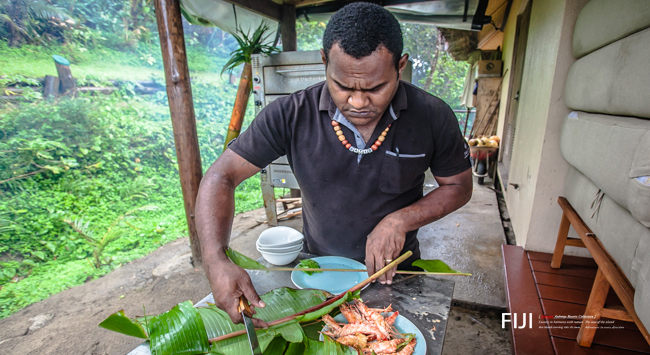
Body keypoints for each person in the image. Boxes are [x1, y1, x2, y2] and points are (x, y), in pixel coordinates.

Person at [194, 2, 472, 327]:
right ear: (324, 62)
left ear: (400, 66)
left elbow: (458, 186)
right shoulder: (290, 115)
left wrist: (399, 221)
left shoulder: (432, 117)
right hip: (318, 271)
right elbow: (221, 176)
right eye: (342, 86)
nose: (357, 102)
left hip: (394, 272)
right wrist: (215, 259)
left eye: (376, 88)